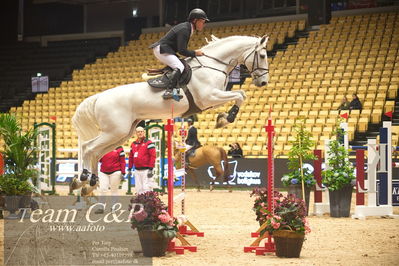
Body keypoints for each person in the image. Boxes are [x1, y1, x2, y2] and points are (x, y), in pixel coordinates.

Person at [149, 8, 209, 100]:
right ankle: (169, 91)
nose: (203, 24)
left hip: (166, 49)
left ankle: (175, 89)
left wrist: (193, 53)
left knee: (182, 64)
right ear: (195, 20)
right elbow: (182, 50)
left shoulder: (188, 28)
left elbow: (181, 50)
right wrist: (195, 53)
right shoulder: (185, 29)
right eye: (202, 21)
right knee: (179, 67)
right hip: (162, 49)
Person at [96, 146, 126, 213]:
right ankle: (101, 207)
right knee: (103, 189)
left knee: (114, 190)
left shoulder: (119, 148)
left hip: (116, 172)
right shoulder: (104, 147)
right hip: (103, 172)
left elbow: (122, 161)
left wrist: (123, 173)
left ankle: (113, 207)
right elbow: (100, 160)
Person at [128, 127, 157, 194]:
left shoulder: (149, 143)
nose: (140, 133)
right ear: (136, 133)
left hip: (146, 170)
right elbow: (131, 157)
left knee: (146, 188)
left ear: (144, 132)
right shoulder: (133, 144)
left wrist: (151, 169)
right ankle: (140, 203)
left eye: (141, 131)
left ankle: (149, 203)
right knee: (138, 188)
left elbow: (153, 156)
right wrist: (129, 168)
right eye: (138, 132)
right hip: (137, 170)